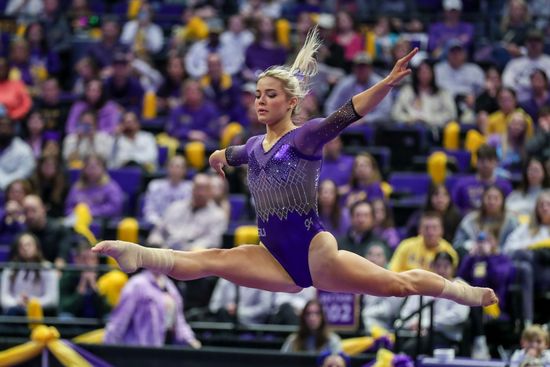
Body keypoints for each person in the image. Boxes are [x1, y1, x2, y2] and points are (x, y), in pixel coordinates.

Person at [94, 29, 497, 309]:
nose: (260, 102)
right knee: (213, 259)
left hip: (313, 251)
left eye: (270, 95)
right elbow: (230, 154)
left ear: (290, 102)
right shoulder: (254, 147)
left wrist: (387, 83)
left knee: (398, 285)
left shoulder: (304, 137)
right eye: (257, 95)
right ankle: (139, 254)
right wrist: (218, 156)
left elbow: (349, 111)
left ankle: (463, 293)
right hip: (274, 257)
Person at [104, 269, 201, 348]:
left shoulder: (169, 285)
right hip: (138, 350)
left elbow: (179, 320)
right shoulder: (136, 284)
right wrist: (109, 349)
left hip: (165, 348)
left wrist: (190, 340)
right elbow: (120, 320)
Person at [0, 232, 59, 315]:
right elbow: (3, 299)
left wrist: (32, 302)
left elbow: (52, 300)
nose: (25, 248)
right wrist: (18, 302)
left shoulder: (47, 268)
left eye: (29, 244)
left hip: (41, 313)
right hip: (16, 310)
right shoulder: (10, 269)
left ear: (37, 247)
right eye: (21, 246)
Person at [390, 211, 459, 272]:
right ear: (419, 230)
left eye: (434, 228)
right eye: (426, 228)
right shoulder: (406, 246)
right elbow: (393, 271)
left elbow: (449, 280)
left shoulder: (449, 252)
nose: (430, 232)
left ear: (441, 230)